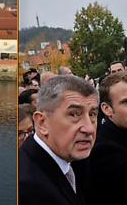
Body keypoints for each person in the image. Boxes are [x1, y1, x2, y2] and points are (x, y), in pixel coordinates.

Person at [18, 75, 98, 205]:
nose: (89, 128)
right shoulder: (26, 188)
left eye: (92, 114)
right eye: (74, 114)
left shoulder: (72, 160)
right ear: (42, 123)